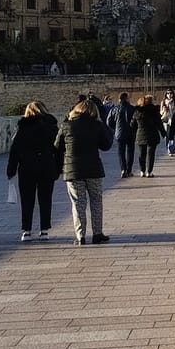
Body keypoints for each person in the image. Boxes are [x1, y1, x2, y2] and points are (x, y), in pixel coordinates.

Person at [52, 93, 114, 244]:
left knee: (78, 203)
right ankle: (98, 233)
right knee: (96, 201)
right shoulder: (96, 125)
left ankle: (80, 236)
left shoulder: (66, 125)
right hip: (93, 169)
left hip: (73, 170)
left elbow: (57, 146)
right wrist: (103, 125)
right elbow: (106, 145)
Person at [5, 99, 59, 241]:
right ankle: (44, 229)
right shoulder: (52, 127)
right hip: (46, 166)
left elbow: (14, 151)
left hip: (27, 167)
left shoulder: (22, 128)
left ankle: (27, 230)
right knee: (45, 199)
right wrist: (58, 168)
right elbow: (59, 149)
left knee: (27, 200)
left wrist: (11, 170)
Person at [134, 94, 164, 177]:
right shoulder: (154, 111)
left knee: (141, 154)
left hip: (141, 134)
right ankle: (149, 172)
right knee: (151, 154)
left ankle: (142, 171)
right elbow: (159, 123)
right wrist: (163, 133)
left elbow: (133, 123)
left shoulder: (138, 111)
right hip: (152, 134)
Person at [114, 91, 136, 178]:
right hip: (130, 132)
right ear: (127, 98)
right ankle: (129, 170)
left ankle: (123, 169)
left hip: (119, 133)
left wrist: (115, 128)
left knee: (121, 152)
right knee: (130, 152)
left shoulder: (115, 108)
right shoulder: (132, 108)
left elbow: (109, 121)